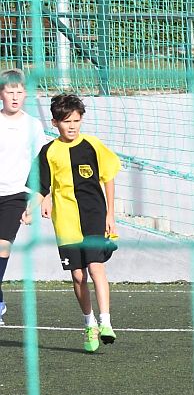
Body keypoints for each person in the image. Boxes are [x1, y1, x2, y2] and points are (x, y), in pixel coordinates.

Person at [37, 93, 121, 353]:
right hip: (65, 220)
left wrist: (110, 214)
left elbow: (108, 177)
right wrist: (44, 200)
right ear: (55, 123)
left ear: (81, 119)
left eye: (76, 120)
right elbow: (43, 183)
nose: (72, 126)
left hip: (94, 215)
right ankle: (89, 324)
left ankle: (106, 322)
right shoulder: (49, 151)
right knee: (77, 275)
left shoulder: (93, 145)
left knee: (96, 267)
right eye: (66, 121)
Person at [0, 70, 46, 326]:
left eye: (19, 91)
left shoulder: (33, 125)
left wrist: (41, 198)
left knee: (2, 247)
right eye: (10, 91)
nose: (15, 96)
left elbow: (41, 164)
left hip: (16, 194)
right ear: (1, 94)